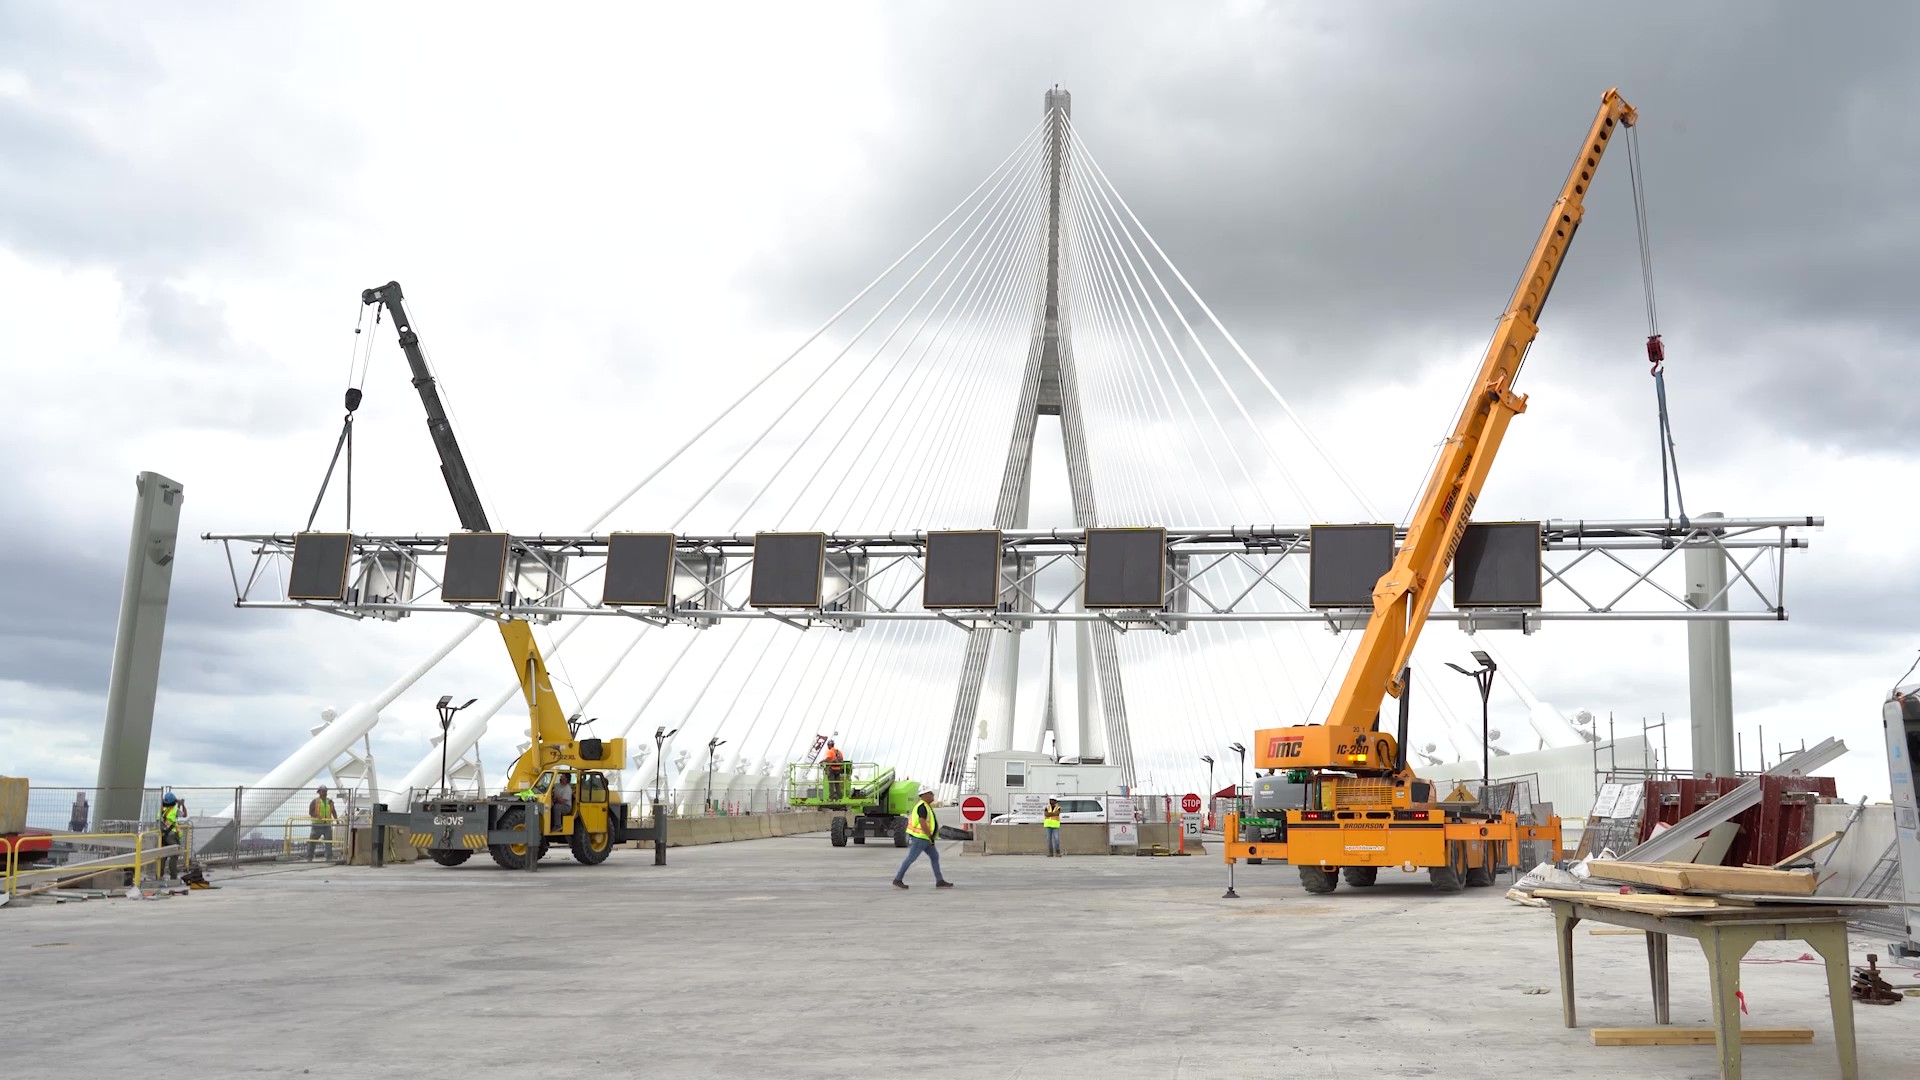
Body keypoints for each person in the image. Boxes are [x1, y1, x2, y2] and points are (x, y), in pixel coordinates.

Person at [892, 788, 953, 890]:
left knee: (934, 857)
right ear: (924, 795)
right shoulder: (922, 807)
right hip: (920, 838)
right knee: (910, 858)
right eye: (931, 794)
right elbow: (922, 822)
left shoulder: (926, 806)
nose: (933, 795)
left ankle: (940, 880)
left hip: (926, 839)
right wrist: (929, 836)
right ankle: (898, 879)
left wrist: (930, 837)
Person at [156, 792, 186, 880]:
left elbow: (159, 821)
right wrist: (182, 805)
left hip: (162, 835)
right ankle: (173, 876)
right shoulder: (174, 810)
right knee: (174, 855)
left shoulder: (161, 810)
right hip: (172, 835)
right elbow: (184, 815)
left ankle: (159, 875)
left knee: (163, 856)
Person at [306, 785, 336, 861]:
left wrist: (337, 820)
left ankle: (329, 857)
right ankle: (309, 857)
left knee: (328, 842)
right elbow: (311, 812)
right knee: (312, 842)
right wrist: (316, 816)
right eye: (323, 791)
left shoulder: (330, 802)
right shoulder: (315, 801)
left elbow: (333, 811)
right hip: (317, 825)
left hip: (327, 825)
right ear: (319, 792)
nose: (325, 793)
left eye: (325, 791)